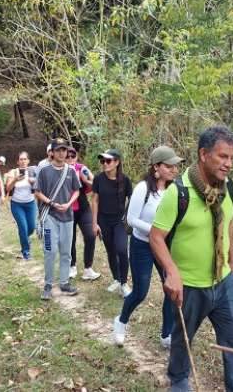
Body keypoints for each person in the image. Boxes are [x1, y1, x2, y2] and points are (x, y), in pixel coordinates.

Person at [150, 126, 233, 392]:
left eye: (232, 158)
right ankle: (179, 382)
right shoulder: (178, 193)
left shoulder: (230, 189)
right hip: (190, 286)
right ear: (203, 154)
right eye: (222, 156)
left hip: (224, 282)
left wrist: (231, 258)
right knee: (183, 342)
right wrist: (172, 272)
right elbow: (156, 236)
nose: (228, 164)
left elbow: (227, 223)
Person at [113, 146, 183, 348]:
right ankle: (121, 321)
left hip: (164, 247)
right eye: (169, 166)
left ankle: (166, 334)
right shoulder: (143, 188)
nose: (173, 170)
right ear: (156, 167)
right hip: (142, 245)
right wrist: (155, 230)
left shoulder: (174, 189)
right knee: (140, 292)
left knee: (171, 289)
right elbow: (131, 219)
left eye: (175, 166)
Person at [34, 138, 81, 300]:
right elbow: (37, 191)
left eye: (64, 150)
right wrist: (51, 203)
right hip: (50, 216)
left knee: (66, 251)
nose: (62, 153)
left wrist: (69, 203)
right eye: (58, 150)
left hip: (67, 217)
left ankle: (64, 283)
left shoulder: (71, 171)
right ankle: (47, 284)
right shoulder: (44, 170)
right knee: (50, 250)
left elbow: (77, 190)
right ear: (52, 152)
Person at [92, 148, 133, 297]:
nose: (104, 163)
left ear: (117, 162)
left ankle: (123, 283)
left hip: (119, 221)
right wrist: (94, 223)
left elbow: (132, 199)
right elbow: (95, 200)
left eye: (108, 161)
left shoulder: (125, 179)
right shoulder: (98, 179)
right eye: (102, 161)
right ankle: (116, 279)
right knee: (111, 251)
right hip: (103, 220)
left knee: (122, 250)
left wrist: (129, 217)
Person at [66, 147, 100, 280]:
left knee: (91, 235)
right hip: (67, 209)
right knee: (70, 239)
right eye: (67, 156)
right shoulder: (60, 170)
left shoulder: (82, 168)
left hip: (83, 207)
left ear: (76, 156)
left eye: (72, 156)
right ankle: (71, 266)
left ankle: (88, 268)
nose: (70, 158)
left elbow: (95, 184)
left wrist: (84, 180)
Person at [6, 152, 38, 259]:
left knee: (32, 227)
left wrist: (33, 182)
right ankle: (26, 251)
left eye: (25, 159)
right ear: (17, 161)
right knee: (23, 227)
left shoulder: (33, 171)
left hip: (30, 203)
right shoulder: (13, 172)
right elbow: (8, 189)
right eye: (21, 159)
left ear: (28, 161)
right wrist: (15, 179)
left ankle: (25, 237)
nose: (23, 161)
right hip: (17, 204)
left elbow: (40, 186)